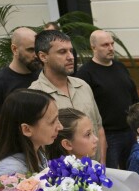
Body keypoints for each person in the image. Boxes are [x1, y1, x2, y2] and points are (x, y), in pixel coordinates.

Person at [29, 30, 108, 163]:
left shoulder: (83, 86)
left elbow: (98, 128)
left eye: (71, 51)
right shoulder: (35, 95)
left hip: (93, 169)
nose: (71, 56)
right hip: (60, 177)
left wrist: (102, 165)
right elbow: (36, 145)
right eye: (62, 52)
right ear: (43, 56)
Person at [76, 30, 139, 170]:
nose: (110, 48)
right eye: (105, 45)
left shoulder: (120, 67)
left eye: (112, 44)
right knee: (111, 175)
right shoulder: (85, 74)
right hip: (107, 135)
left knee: (133, 173)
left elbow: (133, 97)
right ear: (93, 47)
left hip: (129, 131)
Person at [0, 27, 40, 140]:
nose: (36, 55)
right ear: (15, 49)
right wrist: (13, 149)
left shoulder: (43, 75)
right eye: (30, 50)